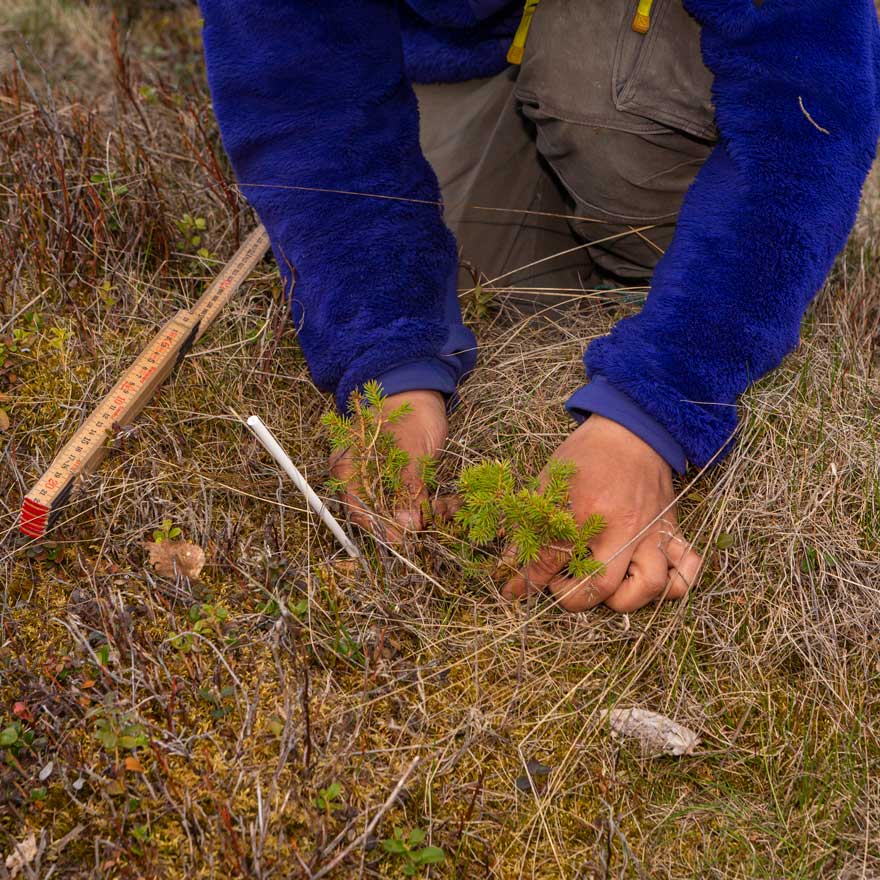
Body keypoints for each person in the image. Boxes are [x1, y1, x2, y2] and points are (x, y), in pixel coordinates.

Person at [197, 0, 879, 612]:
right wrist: (391, 362)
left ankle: (687, 284)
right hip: (456, 48)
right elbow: (300, 83)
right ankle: (613, 280)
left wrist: (651, 412)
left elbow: (810, 105)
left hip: (639, 55)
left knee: (589, 77)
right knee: (441, 230)